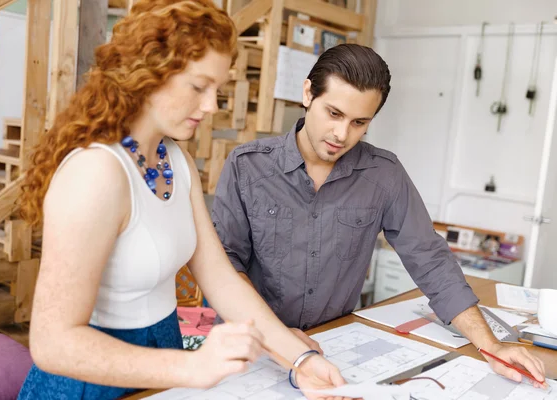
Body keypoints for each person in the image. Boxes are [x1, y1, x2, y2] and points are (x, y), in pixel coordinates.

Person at [16, 1, 348, 399]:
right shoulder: (96, 173)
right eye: (198, 86)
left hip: (162, 365)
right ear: (149, 73)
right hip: (88, 384)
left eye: (218, 89)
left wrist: (299, 359)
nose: (210, 106)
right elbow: (53, 343)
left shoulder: (175, 159)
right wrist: (193, 365)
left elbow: (220, 278)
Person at [211, 43, 547, 387]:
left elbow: (429, 259)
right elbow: (223, 266)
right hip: (251, 347)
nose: (342, 135)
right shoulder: (247, 166)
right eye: (334, 114)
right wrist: (276, 337)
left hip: (332, 346)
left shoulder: (383, 174)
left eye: (360, 122)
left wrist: (490, 345)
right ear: (308, 93)